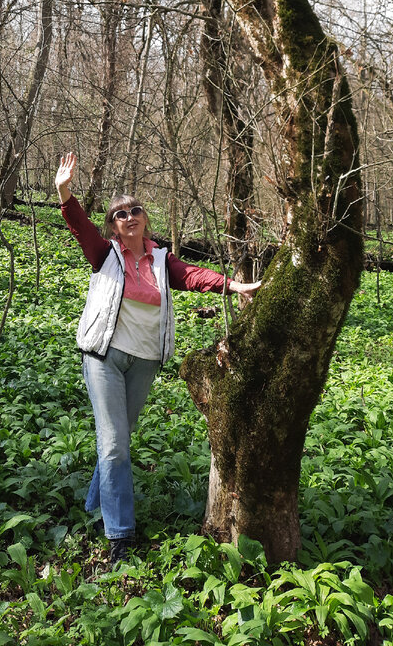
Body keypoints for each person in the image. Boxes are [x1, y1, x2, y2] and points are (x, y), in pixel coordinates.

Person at [55, 151, 261, 564]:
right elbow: (80, 227)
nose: (128, 217)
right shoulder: (105, 255)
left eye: (135, 211)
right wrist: (64, 193)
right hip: (104, 358)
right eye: (119, 214)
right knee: (113, 445)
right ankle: (120, 537)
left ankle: (94, 506)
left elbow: (192, 276)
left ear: (145, 218)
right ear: (113, 226)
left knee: (118, 442)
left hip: (145, 361)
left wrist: (233, 287)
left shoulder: (162, 260)